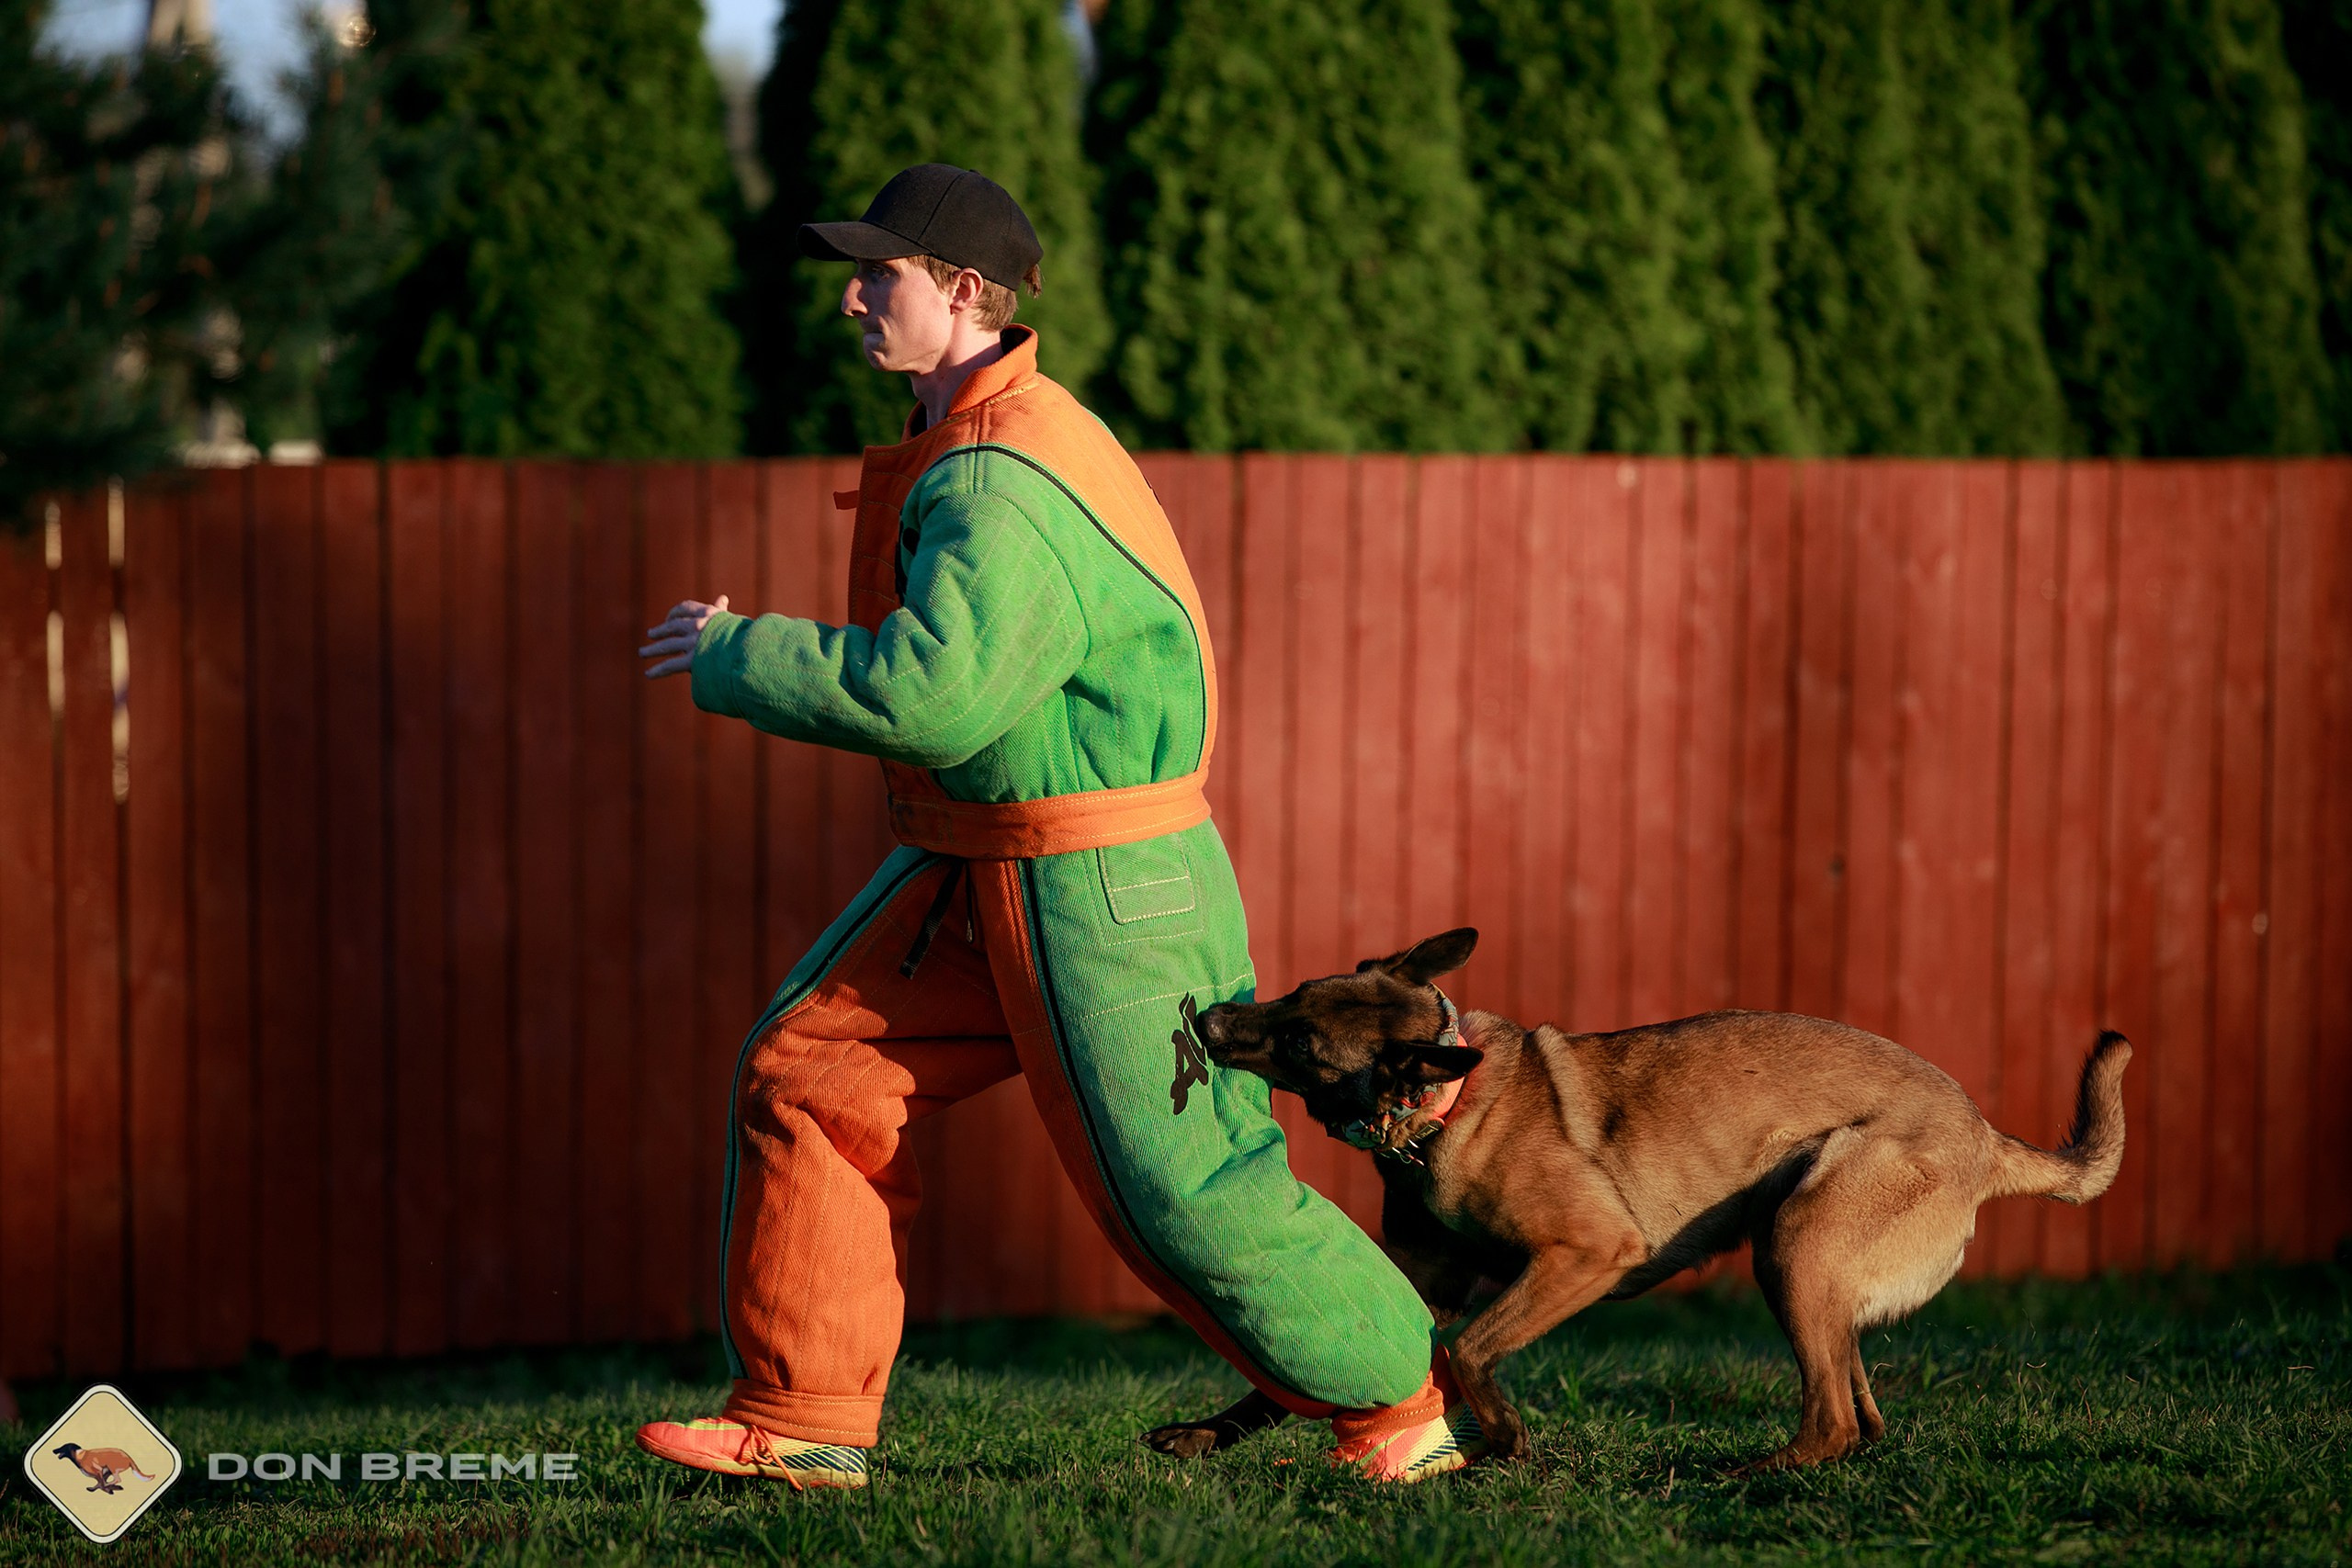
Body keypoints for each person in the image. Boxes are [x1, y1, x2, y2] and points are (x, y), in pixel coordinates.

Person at [632, 164, 1478, 1488]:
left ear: (963, 290)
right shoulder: (982, 434)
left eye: (879, 274)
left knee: (1185, 1187)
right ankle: (802, 1423)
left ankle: (1403, 1405)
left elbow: (937, 695)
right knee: (811, 1076)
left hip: (1101, 882)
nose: (851, 298)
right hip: (989, 855)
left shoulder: (1002, 478)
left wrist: (743, 652)